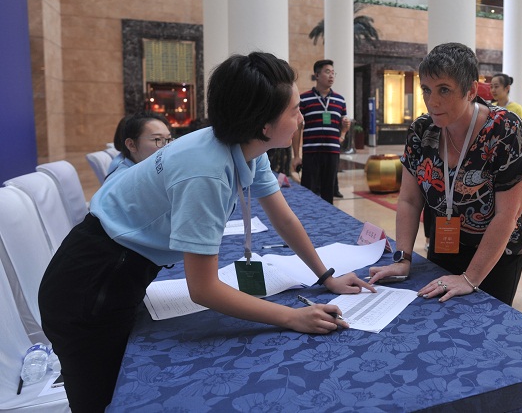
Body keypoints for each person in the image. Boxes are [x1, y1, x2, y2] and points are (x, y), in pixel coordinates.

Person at [38, 52, 375, 412]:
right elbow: (204, 288)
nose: (301, 117)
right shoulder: (206, 172)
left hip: (118, 266)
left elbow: (284, 217)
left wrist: (326, 276)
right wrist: (292, 317)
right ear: (264, 125)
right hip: (92, 284)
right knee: (107, 399)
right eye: (293, 110)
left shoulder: (245, 145)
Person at [367, 42, 522, 306]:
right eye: (426, 90)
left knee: (485, 325)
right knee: (439, 314)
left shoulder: (504, 130)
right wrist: (403, 258)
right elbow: (409, 200)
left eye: (444, 90)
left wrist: (470, 278)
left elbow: (508, 215)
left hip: (498, 251)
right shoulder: (422, 131)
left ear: (470, 91)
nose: (432, 102)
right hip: (447, 242)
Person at [292, 59, 350, 204]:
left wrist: (343, 133)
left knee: (328, 192)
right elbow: (297, 127)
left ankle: (326, 222)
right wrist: (296, 156)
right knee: (308, 191)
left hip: (332, 152)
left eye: (333, 73)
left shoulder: (340, 100)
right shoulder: (304, 99)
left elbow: (343, 126)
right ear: (317, 75)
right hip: (311, 152)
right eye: (327, 72)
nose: (331, 76)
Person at [106, 111, 172, 179]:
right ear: (131, 145)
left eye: (169, 139)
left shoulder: (151, 171)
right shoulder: (125, 180)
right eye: (157, 139)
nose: (167, 145)